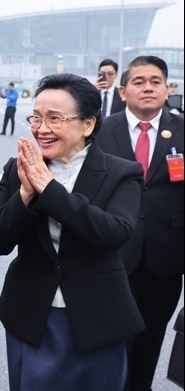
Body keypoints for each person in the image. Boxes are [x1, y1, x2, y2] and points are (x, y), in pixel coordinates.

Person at [0, 73, 144, 390]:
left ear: (87, 125)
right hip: (31, 316)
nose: (42, 129)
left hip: (98, 318)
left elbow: (114, 232)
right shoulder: (19, 168)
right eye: (36, 118)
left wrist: (50, 190)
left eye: (54, 119)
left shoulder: (122, 173)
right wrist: (26, 194)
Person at [94, 55, 184, 391]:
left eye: (155, 81)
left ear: (166, 88)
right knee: (109, 342)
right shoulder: (101, 131)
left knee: (149, 344)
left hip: (165, 261)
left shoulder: (182, 129)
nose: (148, 88)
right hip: (111, 255)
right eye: (139, 81)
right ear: (122, 91)